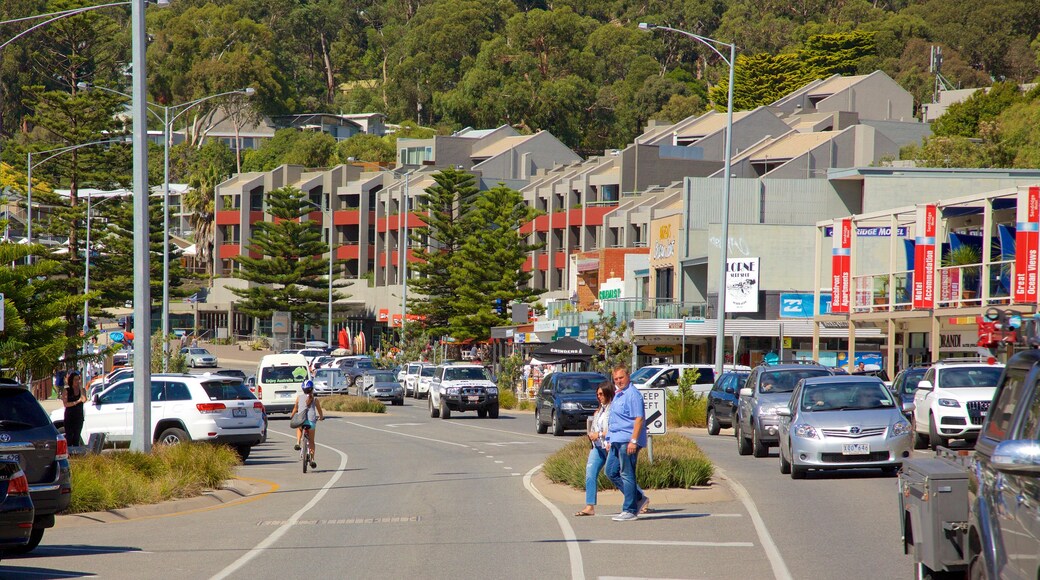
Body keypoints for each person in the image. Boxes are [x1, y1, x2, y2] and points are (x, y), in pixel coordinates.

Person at [575, 382, 649, 517]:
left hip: (610, 446)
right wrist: (593, 434)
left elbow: (616, 426)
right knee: (591, 473)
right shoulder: (600, 410)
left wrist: (602, 435)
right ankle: (589, 506)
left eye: (601, 394)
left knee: (620, 473)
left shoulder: (615, 406)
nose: (599, 397)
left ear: (609, 393)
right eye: (597, 394)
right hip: (597, 447)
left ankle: (637, 498)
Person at [604, 365, 649, 522]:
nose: (618, 381)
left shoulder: (633, 395)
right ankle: (637, 497)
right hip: (616, 440)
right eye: (616, 379)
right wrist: (609, 438)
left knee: (626, 473)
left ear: (628, 376)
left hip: (627, 440)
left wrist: (634, 441)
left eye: (621, 378)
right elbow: (614, 419)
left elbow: (639, 419)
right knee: (610, 472)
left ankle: (629, 509)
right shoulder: (618, 394)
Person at [291, 380, 324, 469]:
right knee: (312, 441)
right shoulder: (315, 399)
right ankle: (312, 459)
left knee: (299, 427)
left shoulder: (299, 398)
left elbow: (295, 409)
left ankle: (297, 442)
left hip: (302, 421)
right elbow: (320, 411)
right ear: (312, 389)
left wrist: (292, 416)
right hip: (311, 422)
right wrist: (321, 417)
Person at [62, 370, 87, 447]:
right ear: (71, 380)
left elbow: (84, 399)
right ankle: (69, 453)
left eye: (78, 379)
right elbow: (66, 404)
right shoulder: (67, 390)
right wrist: (76, 402)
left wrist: (80, 387)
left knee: (77, 436)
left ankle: (76, 454)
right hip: (70, 416)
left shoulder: (82, 390)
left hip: (78, 416)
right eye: (75, 379)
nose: (77, 381)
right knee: (69, 437)